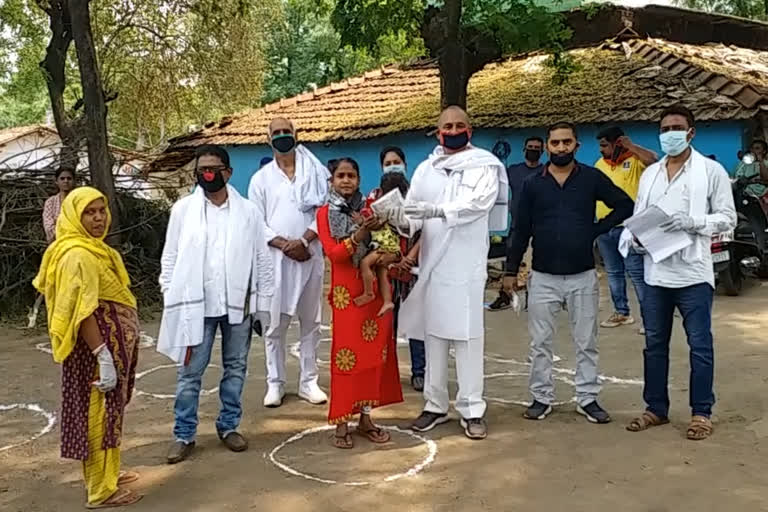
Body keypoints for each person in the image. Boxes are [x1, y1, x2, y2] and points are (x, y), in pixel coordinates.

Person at [503, 121, 634, 424]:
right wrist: (510, 271)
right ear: (547, 147)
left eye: (567, 142)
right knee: (540, 343)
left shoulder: (591, 178)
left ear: (577, 145)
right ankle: (540, 397)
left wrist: (596, 230)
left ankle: (587, 398)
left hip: (582, 275)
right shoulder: (533, 184)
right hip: (543, 277)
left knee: (586, 341)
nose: (560, 148)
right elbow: (520, 229)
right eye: (555, 143)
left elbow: (624, 204)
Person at [393, 106, 508, 440]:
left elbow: (479, 204)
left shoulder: (483, 164)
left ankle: (472, 409)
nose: (453, 130)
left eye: (459, 125)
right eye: (447, 126)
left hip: (467, 267)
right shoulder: (427, 169)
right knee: (435, 337)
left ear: (469, 130)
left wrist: (438, 210)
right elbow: (413, 212)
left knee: (468, 338)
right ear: (437, 130)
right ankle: (434, 405)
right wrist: (396, 218)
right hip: (432, 266)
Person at [623, 105, 736, 440]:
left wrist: (694, 222)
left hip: (694, 274)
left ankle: (702, 412)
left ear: (690, 133)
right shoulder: (651, 174)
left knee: (700, 344)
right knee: (655, 343)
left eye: (676, 127)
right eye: (664, 128)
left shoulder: (711, 171)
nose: (669, 134)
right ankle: (655, 408)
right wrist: (636, 240)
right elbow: (638, 216)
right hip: (656, 273)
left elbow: (727, 218)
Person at [159, 144, 274, 464]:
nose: (207, 174)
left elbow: (262, 260)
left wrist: (262, 303)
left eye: (213, 168)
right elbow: (170, 258)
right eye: (201, 169)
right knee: (189, 372)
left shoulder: (249, 211)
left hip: (237, 306)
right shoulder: (182, 210)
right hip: (195, 306)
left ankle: (229, 426)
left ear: (228, 172)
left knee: (235, 367)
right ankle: (183, 433)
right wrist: (171, 296)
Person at [33, 187, 143, 508]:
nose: (98, 218)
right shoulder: (77, 255)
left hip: (109, 348)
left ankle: (108, 473)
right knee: (98, 416)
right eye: (89, 212)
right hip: (97, 352)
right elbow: (82, 311)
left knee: (109, 414)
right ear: (73, 216)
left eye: (101, 211)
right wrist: (103, 355)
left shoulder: (93, 249)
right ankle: (100, 491)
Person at [315, 157, 403, 448]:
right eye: (340, 175)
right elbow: (335, 254)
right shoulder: (325, 213)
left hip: (375, 292)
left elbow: (389, 244)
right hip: (347, 298)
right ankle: (341, 421)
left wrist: (382, 233)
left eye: (351, 175)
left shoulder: (368, 210)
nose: (346, 180)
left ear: (358, 179)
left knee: (372, 357)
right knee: (346, 359)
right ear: (332, 180)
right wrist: (360, 235)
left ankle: (366, 419)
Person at [248, 118, 330, 408]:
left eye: (287, 132)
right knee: (275, 325)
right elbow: (256, 222)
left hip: (310, 255)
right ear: (268, 138)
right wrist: (286, 245)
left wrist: (305, 241)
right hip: (277, 259)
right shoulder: (261, 180)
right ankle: (276, 383)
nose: (283, 137)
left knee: (311, 322)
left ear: (297, 135)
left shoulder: (316, 172)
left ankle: (309, 382)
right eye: (277, 133)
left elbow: (325, 210)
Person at [593, 126, 658, 331]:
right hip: (605, 228)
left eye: (604, 145)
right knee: (613, 273)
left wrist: (630, 146)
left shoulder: (635, 160)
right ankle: (621, 312)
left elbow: (654, 161)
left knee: (636, 274)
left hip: (629, 228)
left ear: (617, 143)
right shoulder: (599, 165)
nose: (601, 149)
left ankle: (650, 319)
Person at [375, 146, 426, 391]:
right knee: (387, 324)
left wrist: (411, 257)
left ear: (405, 165)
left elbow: (427, 230)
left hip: (414, 269)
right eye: (388, 163)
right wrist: (390, 257)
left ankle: (420, 372)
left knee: (416, 322)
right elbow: (370, 233)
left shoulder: (417, 196)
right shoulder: (374, 197)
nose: (392, 166)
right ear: (381, 168)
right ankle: (387, 372)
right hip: (386, 270)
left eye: (396, 162)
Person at [488, 136, 545, 311]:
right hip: (518, 224)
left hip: (541, 224)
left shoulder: (546, 171)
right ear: (524, 149)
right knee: (512, 263)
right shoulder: (513, 171)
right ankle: (504, 296)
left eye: (537, 148)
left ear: (542, 152)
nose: (533, 150)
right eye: (530, 147)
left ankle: (533, 299)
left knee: (537, 263)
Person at [355, 171, 409, 316]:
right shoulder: (399, 207)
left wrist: (365, 220)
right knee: (382, 271)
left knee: (365, 263)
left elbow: (375, 224)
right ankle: (387, 301)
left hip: (385, 246)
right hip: (391, 247)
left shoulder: (383, 208)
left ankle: (368, 292)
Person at [734, 139, 768, 216]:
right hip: (746, 195)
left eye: (757, 148)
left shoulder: (766, 163)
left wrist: (761, 161)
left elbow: (766, 178)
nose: (753, 150)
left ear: (764, 151)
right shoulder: (744, 163)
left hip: (762, 196)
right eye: (752, 148)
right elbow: (737, 178)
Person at [42, 167, 76, 244]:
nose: (66, 181)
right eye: (62, 178)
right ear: (57, 181)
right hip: (57, 243)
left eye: (69, 178)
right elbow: (49, 227)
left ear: (74, 181)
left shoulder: (79, 201)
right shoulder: (50, 202)